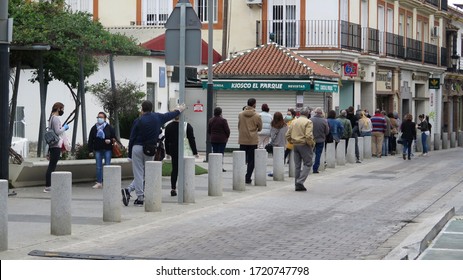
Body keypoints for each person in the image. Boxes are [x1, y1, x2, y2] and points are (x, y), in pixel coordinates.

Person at [121, 100, 184, 206]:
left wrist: (129, 154)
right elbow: (171, 115)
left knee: (138, 173)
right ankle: (131, 191)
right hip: (150, 149)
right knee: (146, 173)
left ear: (142, 109)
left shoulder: (138, 120)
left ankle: (138, 196)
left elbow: (132, 138)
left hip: (137, 147)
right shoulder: (158, 117)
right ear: (152, 108)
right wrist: (180, 109)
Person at [165, 117, 199, 196]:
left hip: (173, 150)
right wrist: (195, 152)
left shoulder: (168, 126)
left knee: (175, 169)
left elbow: (166, 140)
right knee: (186, 169)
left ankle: (173, 188)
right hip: (185, 150)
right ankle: (186, 188)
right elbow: (191, 139)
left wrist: (168, 152)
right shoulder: (187, 126)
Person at [285, 107, 315, 191]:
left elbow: (287, 134)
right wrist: (311, 144)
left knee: (297, 165)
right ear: (307, 114)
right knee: (308, 163)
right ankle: (300, 181)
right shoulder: (308, 122)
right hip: (304, 144)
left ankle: (297, 184)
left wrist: (291, 141)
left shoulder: (294, 121)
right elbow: (308, 135)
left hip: (295, 144)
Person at [44, 102, 70, 193]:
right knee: (52, 165)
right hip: (56, 145)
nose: (62, 111)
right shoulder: (56, 119)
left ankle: (49, 185)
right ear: (58, 108)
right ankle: (48, 186)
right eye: (62, 109)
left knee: (52, 165)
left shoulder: (51, 118)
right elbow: (58, 132)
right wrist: (65, 127)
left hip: (52, 145)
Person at [87, 112, 116, 189]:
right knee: (98, 167)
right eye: (98, 117)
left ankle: (107, 182)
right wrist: (90, 150)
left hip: (107, 149)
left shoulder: (109, 127)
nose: (99, 119)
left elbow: (113, 137)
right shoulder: (94, 128)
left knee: (107, 165)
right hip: (98, 149)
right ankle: (99, 182)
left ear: (105, 119)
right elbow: (90, 139)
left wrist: (109, 140)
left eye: (101, 117)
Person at [238, 98, 263, 184]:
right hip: (253, 140)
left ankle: (240, 176)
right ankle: (248, 177)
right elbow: (260, 128)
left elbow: (239, 126)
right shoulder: (257, 116)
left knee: (241, 159)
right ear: (254, 104)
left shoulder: (240, 114)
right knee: (251, 160)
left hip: (242, 139)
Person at [207, 107, 230, 172]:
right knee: (221, 153)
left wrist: (211, 135)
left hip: (213, 139)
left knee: (215, 152)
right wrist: (226, 137)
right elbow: (227, 130)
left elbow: (209, 130)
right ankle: (219, 167)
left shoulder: (211, 120)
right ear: (220, 112)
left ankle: (215, 167)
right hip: (222, 139)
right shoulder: (223, 120)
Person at [268, 112, 288, 177]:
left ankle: (275, 171)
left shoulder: (272, 125)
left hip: (275, 145)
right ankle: (280, 171)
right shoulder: (285, 125)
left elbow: (272, 136)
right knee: (282, 159)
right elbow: (287, 135)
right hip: (283, 144)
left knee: (275, 159)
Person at [311, 107, 329, 173]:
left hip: (312, 139)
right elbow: (327, 131)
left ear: (315, 112)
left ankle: (308, 167)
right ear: (321, 113)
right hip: (321, 140)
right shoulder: (324, 121)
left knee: (310, 153)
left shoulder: (310, 120)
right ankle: (315, 168)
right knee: (318, 154)